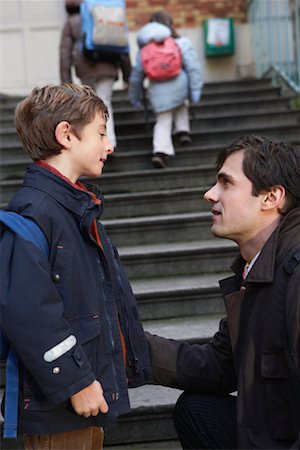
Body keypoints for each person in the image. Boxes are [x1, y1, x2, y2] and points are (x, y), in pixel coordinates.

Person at [0, 83, 151, 450]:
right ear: (66, 135)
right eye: (101, 133)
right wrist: (76, 382)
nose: (109, 146)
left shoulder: (75, 208)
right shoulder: (36, 212)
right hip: (62, 405)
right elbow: (27, 311)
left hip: (84, 398)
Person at [146, 134, 300, 449]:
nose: (209, 194)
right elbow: (220, 364)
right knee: (198, 411)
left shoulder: (295, 271)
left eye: (226, 184)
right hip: (271, 429)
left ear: (271, 197)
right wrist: (128, 347)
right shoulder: (258, 268)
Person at [128, 10, 203, 169]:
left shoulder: (144, 48)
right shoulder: (180, 42)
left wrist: (134, 97)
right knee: (181, 102)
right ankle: (183, 131)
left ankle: (160, 152)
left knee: (163, 121)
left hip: (157, 90)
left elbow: (136, 76)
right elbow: (193, 68)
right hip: (179, 85)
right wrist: (195, 90)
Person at [59, 0, 131, 149]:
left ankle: (97, 143)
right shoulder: (106, 14)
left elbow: (64, 52)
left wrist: (66, 80)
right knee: (105, 102)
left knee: (91, 105)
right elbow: (122, 44)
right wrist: (127, 75)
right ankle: (110, 142)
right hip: (109, 64)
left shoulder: (71, 22)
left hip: (86, 67)